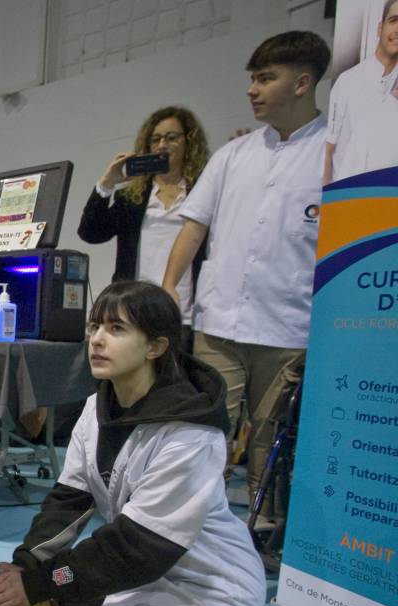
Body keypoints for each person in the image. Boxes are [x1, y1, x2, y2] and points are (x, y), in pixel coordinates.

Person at [0, 281, 295, 606]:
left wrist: (38, 583)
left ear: (156, 346)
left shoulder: (190, 435)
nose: (96, 340)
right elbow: (69, 501)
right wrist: (27, 566)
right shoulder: (97, 406)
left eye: (116, 329)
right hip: (145, 570)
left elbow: (137, 547)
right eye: (94, 327)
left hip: (206, 583)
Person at [162, 31, 330, 508]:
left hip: (289, 326)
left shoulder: (335, 153)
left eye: (265, 78)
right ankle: (192, 523)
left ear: (302, 83)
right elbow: (194, 227)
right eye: (253, 79)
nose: (252, 90)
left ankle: (265, 528)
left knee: (273, 439)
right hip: (219, 323)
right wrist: (170, 285)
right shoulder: (232, 156)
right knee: (204, 431)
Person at [78, 106, 210, 350]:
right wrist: (106, 184)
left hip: (186, 312)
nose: (162, 145)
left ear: (188, 142)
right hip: (135, 311)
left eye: (171, 137)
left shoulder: (204, 191)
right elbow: (91, 233)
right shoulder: (133, 197)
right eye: (155, 139)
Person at [325, 0, 398, 182]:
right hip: (347, 192)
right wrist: (326, 195)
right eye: (394, 20)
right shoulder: (347, 81)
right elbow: (328, 149)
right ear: (380, 28)